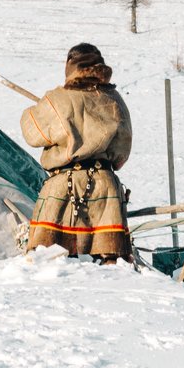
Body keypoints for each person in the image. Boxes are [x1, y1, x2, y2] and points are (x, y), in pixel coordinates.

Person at [20, 43, 132, 261]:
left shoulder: (57, 99)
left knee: (50, 262)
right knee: (109, 262)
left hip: (65, 187)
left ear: (70, 67)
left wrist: (38, 109)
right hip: (105, 188)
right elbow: (122, 151)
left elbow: (32, 133)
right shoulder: (115, 100)